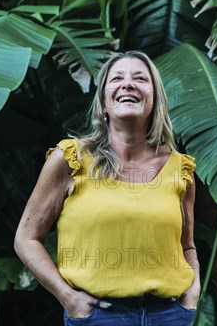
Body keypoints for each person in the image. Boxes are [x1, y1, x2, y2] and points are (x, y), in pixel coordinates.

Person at [14, 51, 201, 325]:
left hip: (169, 315)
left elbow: (187, 246)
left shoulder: (179, 169)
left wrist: (192, 291)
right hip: (99, 316)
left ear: (155, 100)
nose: (127, 84)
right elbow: (26, 239)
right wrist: (68, 297)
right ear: (103, 102)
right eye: (117, 79)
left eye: (140, 78)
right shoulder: (70, 159)